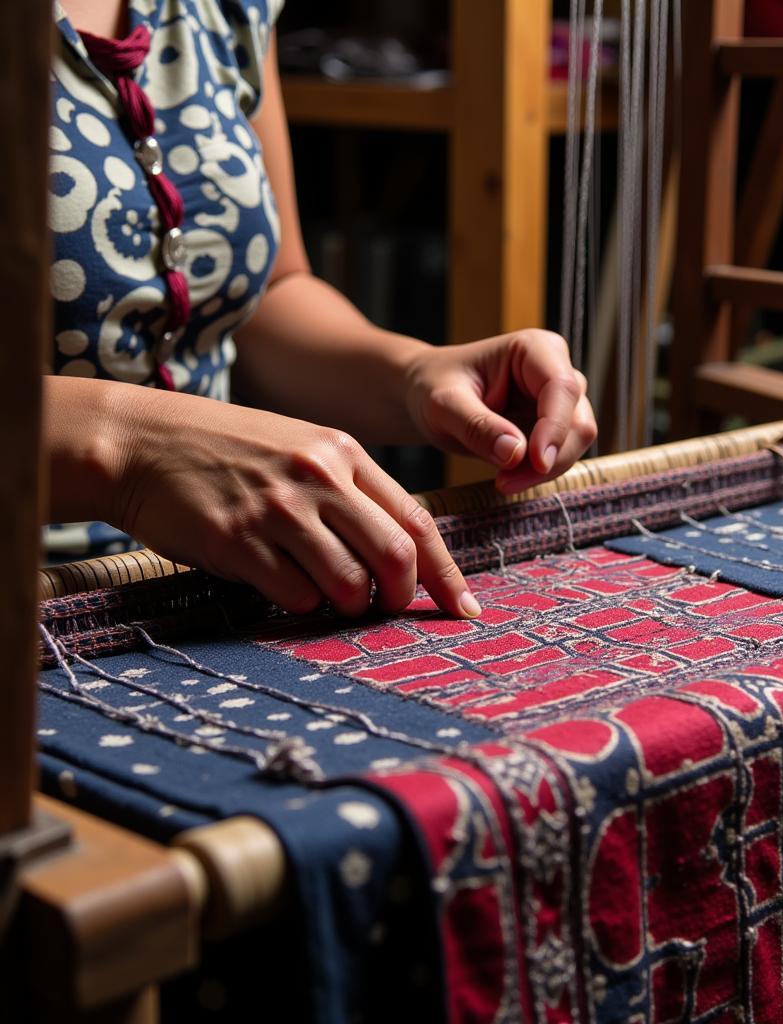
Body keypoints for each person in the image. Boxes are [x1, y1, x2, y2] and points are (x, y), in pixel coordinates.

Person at [47, 0, 597, 620]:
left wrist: (416, 375)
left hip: (205, 592)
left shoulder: (224, 11)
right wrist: (130, 450)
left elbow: (268, 295)